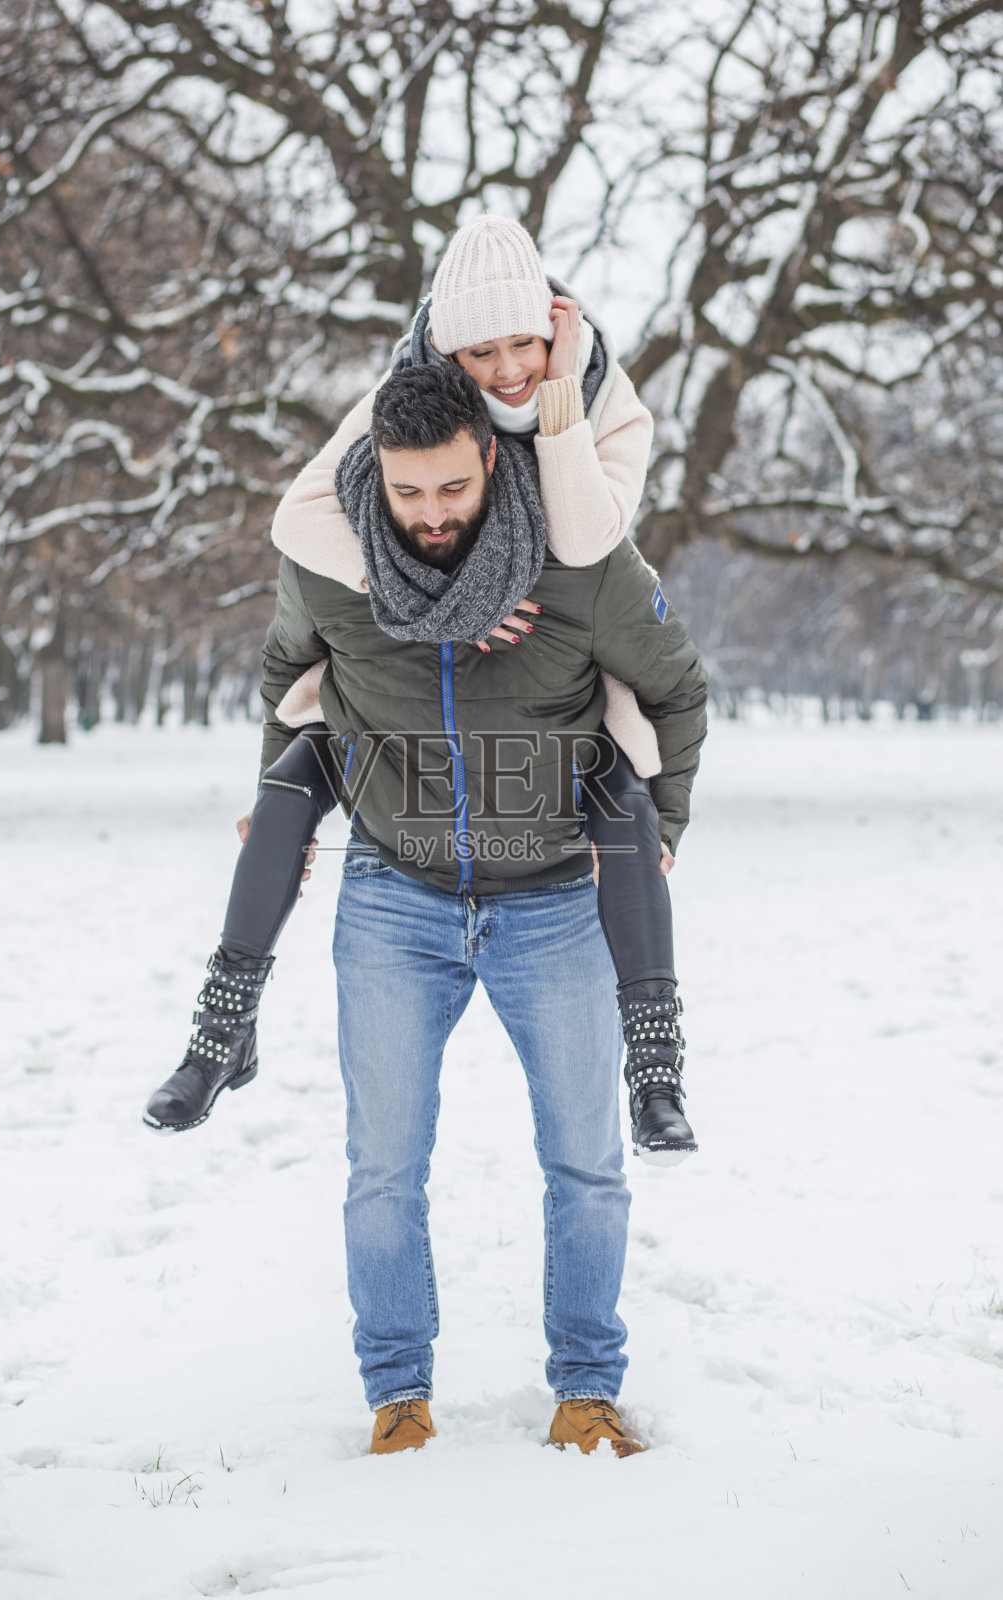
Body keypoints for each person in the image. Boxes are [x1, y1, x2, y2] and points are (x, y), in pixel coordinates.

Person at [143, 214, 696, 1163]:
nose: (504, 368)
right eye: (479, 351)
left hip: (566, 713)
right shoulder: (413, 396)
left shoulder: (608, 405)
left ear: (552, 326)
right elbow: (297, 522)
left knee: (623, 796)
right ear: (443, 351)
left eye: (521, 341)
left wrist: (558, 392)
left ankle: (655, 1064)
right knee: (293, 772)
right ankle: (222, 1024)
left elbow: (581, 539)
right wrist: (427, 599)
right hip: (396, 755)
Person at [251, 361, 707, 1453]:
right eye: (406, 494)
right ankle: (397, 1395)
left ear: (489, 461)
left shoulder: (575, 559)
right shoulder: (337, 562)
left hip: (553, 896)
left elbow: (677, 685)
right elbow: (284, 679)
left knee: (585, 1162)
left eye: (450, 490)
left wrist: (662, 836)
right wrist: (279, 806)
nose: (429, 516)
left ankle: (586, 1388)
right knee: (383, 1166)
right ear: (375, 478)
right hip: (390, 899)